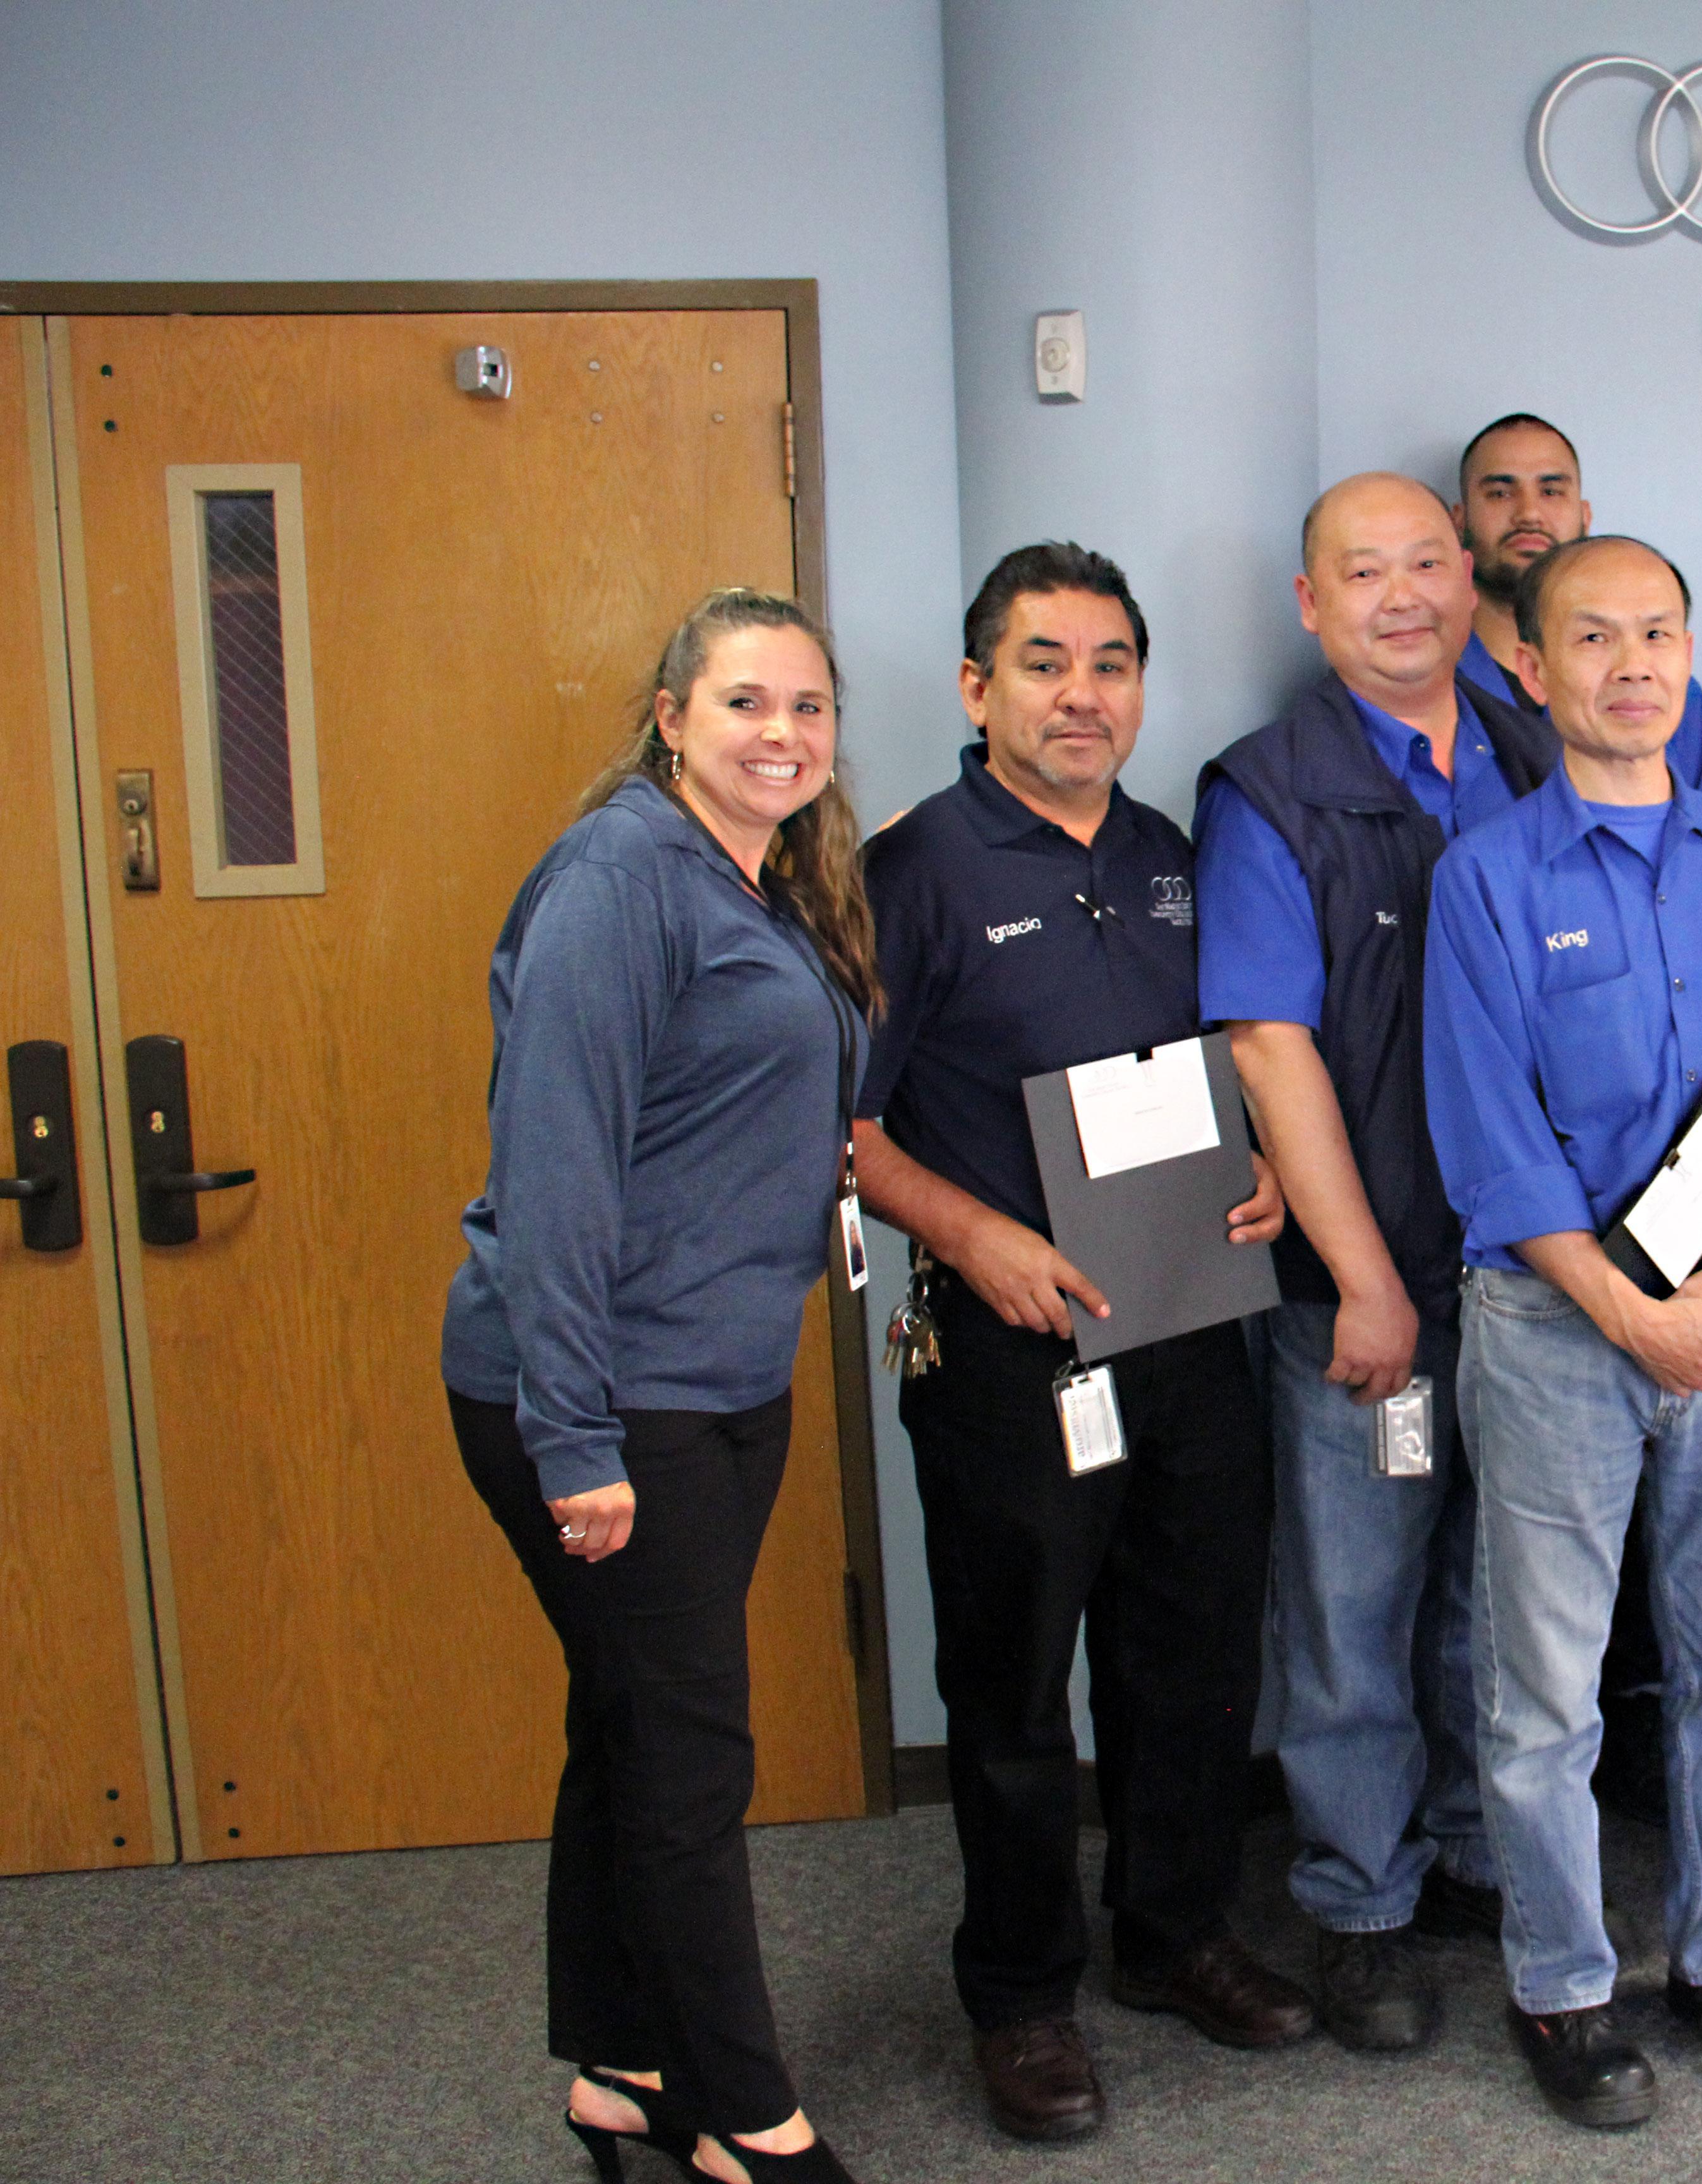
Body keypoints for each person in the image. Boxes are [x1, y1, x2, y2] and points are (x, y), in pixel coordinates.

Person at [852, 544, 1310, 2145]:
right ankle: (1020, 1990)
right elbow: (840, 1124)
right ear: (977, 688)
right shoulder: (909, 869)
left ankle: (1174, 1930)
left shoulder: (1179, 853)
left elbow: (1239, 1049)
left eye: (1109, 661)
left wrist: (1265, 1160)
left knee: (1190, 1650)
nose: (1081, 693)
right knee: (1014, 1681)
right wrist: (966, 1233)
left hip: (1187, 1313)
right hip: (1012, 1341)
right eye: (1042, 662)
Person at [1423, 535, 1702, 2129]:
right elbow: (1490, 1141)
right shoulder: (1484, 877)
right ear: (1528, 671)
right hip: (1555, 1329)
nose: (1630, 663)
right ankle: (1560, 1983)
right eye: (1590, 637)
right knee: (1541, 1686)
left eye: (1658, 633)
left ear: (1690, 656)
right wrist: (1634, 1316)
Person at [444, 587, 876, 2184]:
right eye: (747, 702)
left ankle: (623, 2063)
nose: (781, 732)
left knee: (628, 1727)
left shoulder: (756, 880)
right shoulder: (622, 878)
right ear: (670, 711)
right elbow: (555, 1175)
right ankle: (747, 2118)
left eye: (808, 708)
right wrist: (574, 1438)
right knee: (691, 1754)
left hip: (711, 1376)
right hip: (609, 1397)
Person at [1193, 475, 1557, 2052]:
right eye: (1363, 570)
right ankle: (1357, 1895)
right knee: (1354, 1601)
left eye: (1427, 564)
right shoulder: (1268, 789)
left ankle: (1474, 1843)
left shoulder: (1539, 753)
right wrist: (1362, 1278)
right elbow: (1271, 1047)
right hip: (1375, 1277)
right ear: (1308, 600)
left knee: (1503, 1588)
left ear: (1469, 581)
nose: (1400, 594)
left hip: (1543, 1274)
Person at [1449, 411, 1702, 800]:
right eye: (1501, 493)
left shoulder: (1660, 691)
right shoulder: (1431, 684)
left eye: (1551, 491)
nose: (1529, 514)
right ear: (1459, 520)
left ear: (1585, 516)